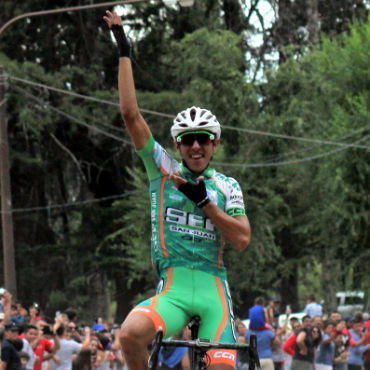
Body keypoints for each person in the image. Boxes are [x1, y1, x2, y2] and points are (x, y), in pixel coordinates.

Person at [103, 9, 251, 370]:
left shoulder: (226, 185)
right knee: (129, 334)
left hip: (214, 291)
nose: (195, 147)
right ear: (178, 145)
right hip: (173, 288)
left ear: (214, 144)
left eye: (203, 140)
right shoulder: (163, 169)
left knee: (220, 367)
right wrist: (124, 50)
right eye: (187, 141)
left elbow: (242, 238)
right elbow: (130, 115)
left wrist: (206, 205)